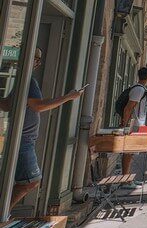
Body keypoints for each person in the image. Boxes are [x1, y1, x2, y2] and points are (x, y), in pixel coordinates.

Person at [0, 48, 84, 208]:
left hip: (20, 138)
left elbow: (7, 105)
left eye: (39, 59)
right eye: (36, 58)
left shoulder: (22, 80)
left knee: (20, 179)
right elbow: (38, 106)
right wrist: (68, 97)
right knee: (31, 181)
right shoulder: (29, 81)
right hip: (22, 140)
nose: (38, 62)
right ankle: (2, 214)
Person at [120, 67, 147, 188]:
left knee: (131, 153)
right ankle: (125, 180)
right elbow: (129, 107)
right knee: (128, 152)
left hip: (137, 124)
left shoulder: (140, 89)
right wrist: (125, 124)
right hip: (133, 125)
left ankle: (128, 178)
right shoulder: (139, 90)